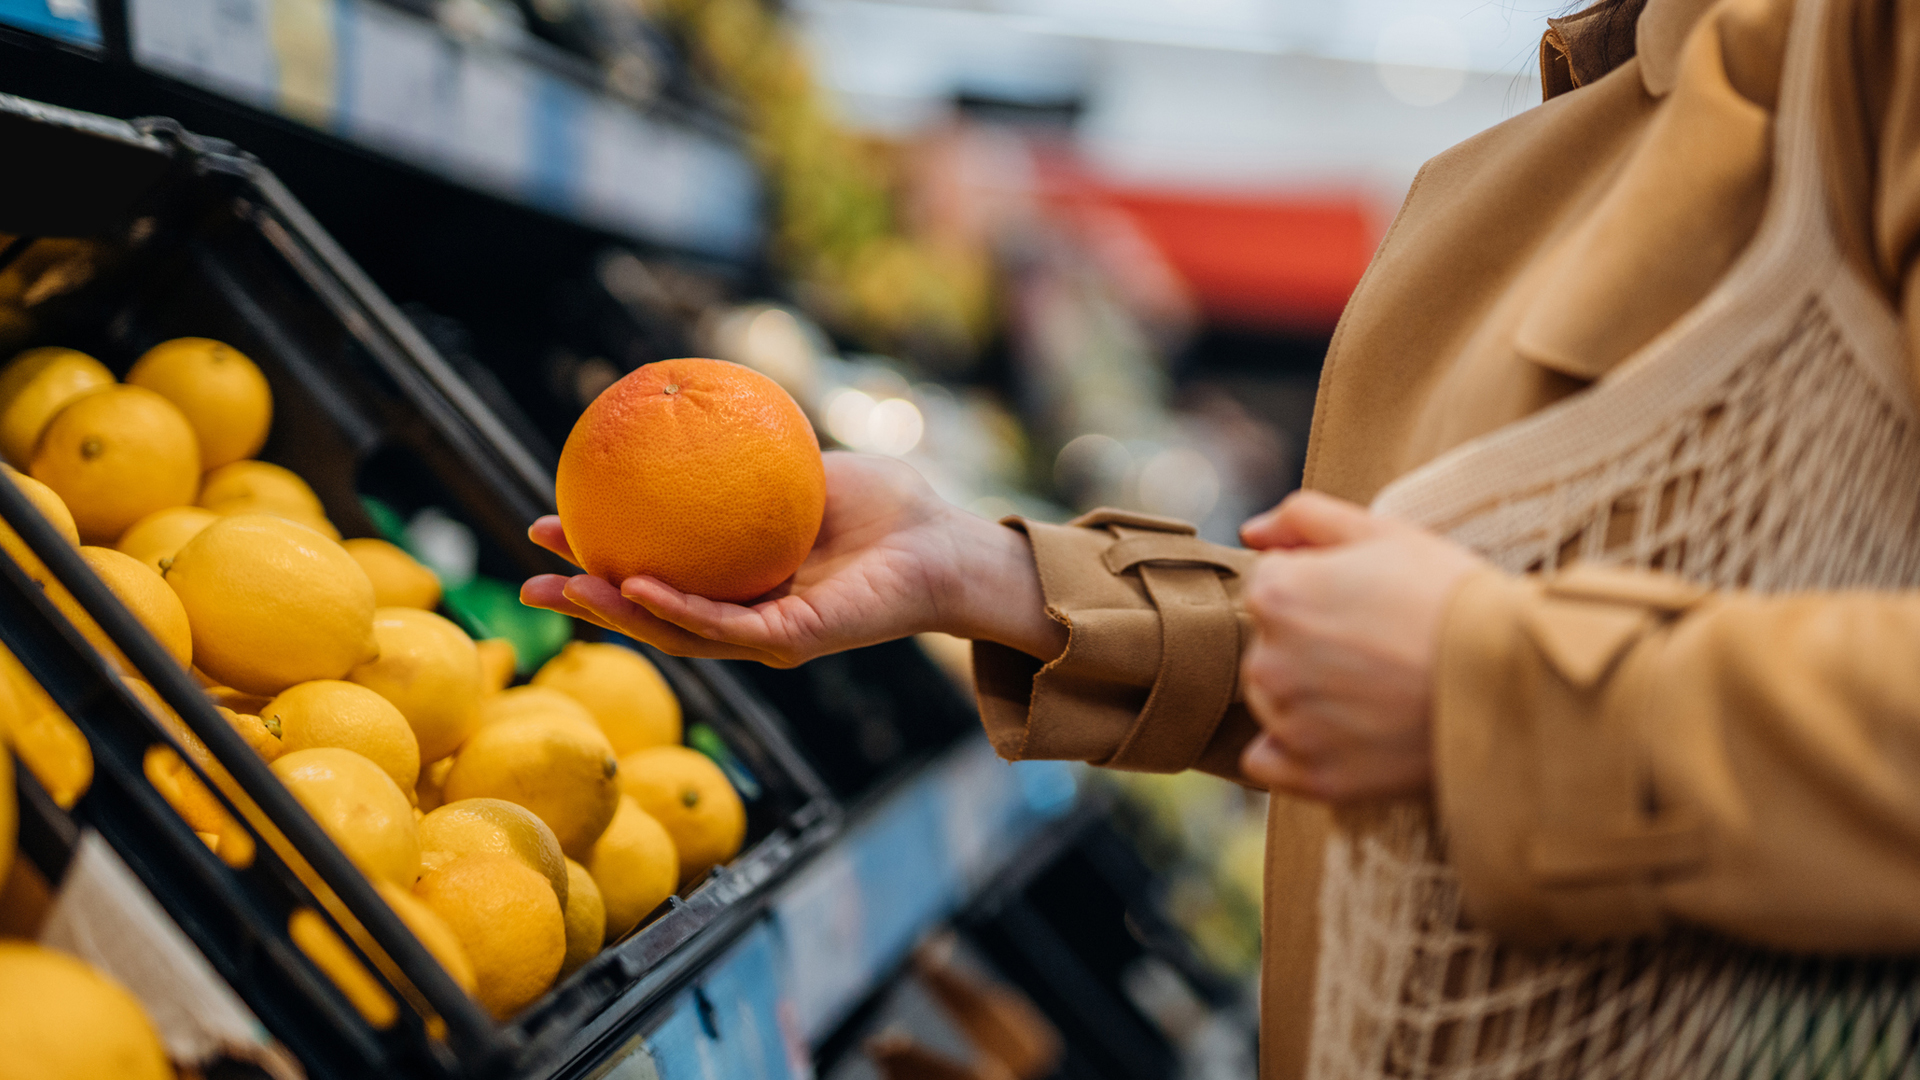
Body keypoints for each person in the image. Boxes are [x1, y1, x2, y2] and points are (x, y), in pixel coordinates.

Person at [524, 0, 1920, 1075]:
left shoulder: (1858, 62)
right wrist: (999, 574)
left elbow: (1481, 670)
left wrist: (1496, 688)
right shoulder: (1637, 75)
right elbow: (1418, 659)